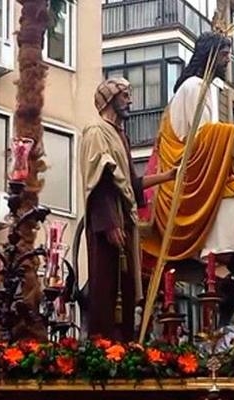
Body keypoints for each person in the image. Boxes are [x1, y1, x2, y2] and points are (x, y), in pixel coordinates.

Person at [139, 28, 234, 332]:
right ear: (209, 57)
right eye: (224, 55)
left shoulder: (206, 88)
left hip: (198, 164)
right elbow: (202, 136)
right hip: (183, 169)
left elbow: (210, 144)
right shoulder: (194, 86)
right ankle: (214, 257)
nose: (228, 61)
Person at [78, 78, 177, 341]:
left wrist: (167, 176)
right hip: (107, 225)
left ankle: (123, 343)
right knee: (107, 287)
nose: (130, 100)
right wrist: (110, 223)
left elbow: (130, 183)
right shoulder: (96, 132)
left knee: (127, 286)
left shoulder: (121, 135)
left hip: (125, 223)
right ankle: (104, 345)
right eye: (124, 95)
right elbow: (99, 181)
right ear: (110, 99)